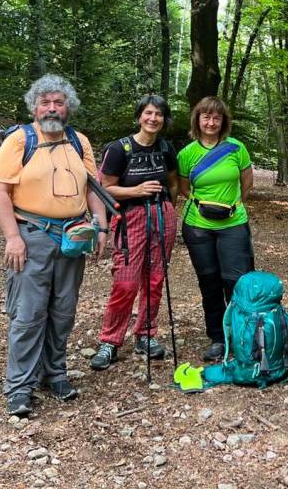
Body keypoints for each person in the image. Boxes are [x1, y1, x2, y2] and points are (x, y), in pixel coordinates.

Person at [0, 74, 106, 418]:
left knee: (63, 311)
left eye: (58, 102)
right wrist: (13, 237)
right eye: (45, 102)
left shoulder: (79, 140)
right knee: (28, 314)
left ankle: (54, 375)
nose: (52, 108)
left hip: (74, 236)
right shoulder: (19, 140)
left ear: (68, 107)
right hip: (32, 235)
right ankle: (19, 387)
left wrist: (100, 227)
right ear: (34, 107)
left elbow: (92, 188)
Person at [89, 94, 179, 371]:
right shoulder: (119, 149)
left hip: (162, 216)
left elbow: (173, 183)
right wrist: (136, 192)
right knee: (126, 282)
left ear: (164, 120)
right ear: (139, 116)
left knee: (154, 279)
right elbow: (104, 187)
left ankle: (146, 334)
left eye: (159, 115)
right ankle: (110, 341)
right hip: (130, 217)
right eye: (148, 113)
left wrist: (168, 209)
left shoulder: (165, 147)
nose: (153, 119)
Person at [177, 96, 255, 362]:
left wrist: (232, 205)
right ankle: (218, 338)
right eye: (206, 117)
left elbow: (247, 183)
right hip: (198, 226)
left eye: (216, 118)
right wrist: (205, 206)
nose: (211, 122)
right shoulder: (186, 154)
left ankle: (243, 333)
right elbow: (184, 188)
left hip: (233, 224)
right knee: (209, 283)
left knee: (237, 282)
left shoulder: (237, 148)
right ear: (197, 120)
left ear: (224, 122)